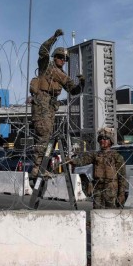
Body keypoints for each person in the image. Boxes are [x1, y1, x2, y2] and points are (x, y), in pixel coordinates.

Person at [30, 29, 85, 179]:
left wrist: (82, 84)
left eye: (65, 59)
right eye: (60, 57)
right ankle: (37, 168)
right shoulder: (46, 66)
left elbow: (73, 91)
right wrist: (54, 37)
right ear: (55, 57)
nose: (63, 60)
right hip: (41, 103)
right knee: (43, 134)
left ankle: (41, 167)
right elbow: (43, 51)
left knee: (46, 136)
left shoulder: (63, 76)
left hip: (50, 107)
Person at [69, 127, 127, 209]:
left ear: (110, 141)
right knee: (97, 213)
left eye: (106, 139)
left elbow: (122, 177)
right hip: (98, 190)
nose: (102, 141)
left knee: (111, 214)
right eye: (100, 139)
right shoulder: (95, 155)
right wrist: (73, 161)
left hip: (111, 190)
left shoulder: (117, 157)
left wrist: (121, 194)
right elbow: (84, 160)